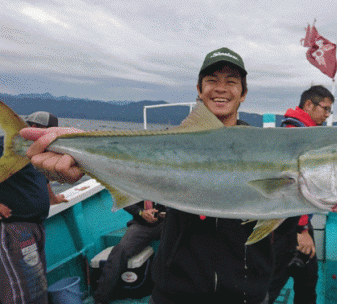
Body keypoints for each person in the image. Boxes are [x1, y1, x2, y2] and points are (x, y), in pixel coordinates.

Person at [20, 47, 275, 304]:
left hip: (245, 295)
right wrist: (79, 150)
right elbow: (129, 167)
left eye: (231, 81)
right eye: (211, 80)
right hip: (174, 292)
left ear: (243, 93)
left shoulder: (267, 149)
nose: (220, 88)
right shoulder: (164, 143)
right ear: (199, 89)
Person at [268, 85, 334, 304]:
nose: (327, 115)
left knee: (307, 279)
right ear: (308, 105)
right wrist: (302, 229)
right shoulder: (296, 135)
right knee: (274, 283)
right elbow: (293, 186)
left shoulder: (298, 130)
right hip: (289, 225)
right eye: (325, 108)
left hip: (296, 222)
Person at [0, 111, 67, 304]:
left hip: (36, 227)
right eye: (32, 128)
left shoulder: (42, 153)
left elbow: (42, 179)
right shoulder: (7, 145)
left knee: (36, 286)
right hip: (13, 227)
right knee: (19, 293)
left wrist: (53, 199)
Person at [94, 201, 165, 304]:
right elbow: (124, 201)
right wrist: (141, 213)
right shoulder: (137, 184)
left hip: (167, 223)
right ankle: (100, 298)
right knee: (119, 250)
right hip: (142, 225)